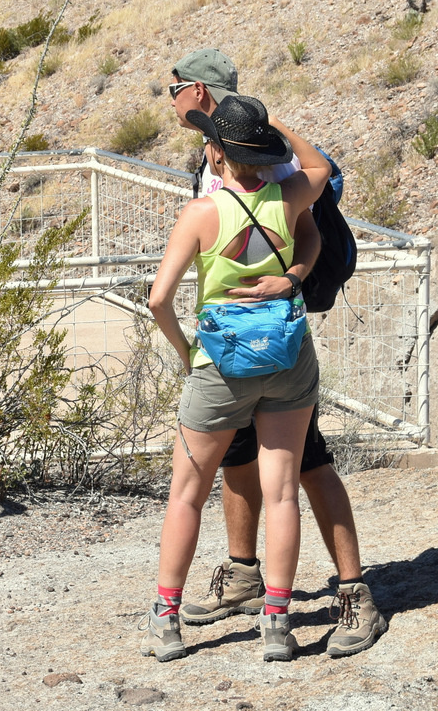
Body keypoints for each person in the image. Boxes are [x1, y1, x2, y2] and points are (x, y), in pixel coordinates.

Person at [166, 49, 386, 658]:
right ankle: (243, 574)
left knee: (307, 465)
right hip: (228, 348)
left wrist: (259, 122)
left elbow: (314, 189)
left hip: (270, 344)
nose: (171, 98)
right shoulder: (212, 159)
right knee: (239, 459)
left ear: (201, 93)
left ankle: (353, 593)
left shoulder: (262, 154)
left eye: (176, 88)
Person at [141, 90, 331, 663]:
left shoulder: (201, 213)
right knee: (281, 494)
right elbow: (320, 164)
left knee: (187, 495)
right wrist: (269, 122)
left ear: (218, 155)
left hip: (220, 364)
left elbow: (158, 300)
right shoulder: (289, 196)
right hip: (286, 356)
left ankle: (168, 619)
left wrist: (186, 351)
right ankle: (277, 622)